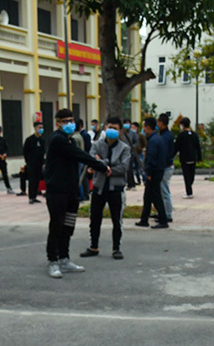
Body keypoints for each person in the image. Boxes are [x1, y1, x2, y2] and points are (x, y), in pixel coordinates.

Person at [43, 109, 111, 278]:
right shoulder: (57, 139)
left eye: (71, 120)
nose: (70, 124)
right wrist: (100, 165)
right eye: (65, 121)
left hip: (71, 191)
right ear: (58, 123)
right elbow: (80, 155)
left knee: (68, 226)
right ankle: (53, 260)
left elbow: (77, 158)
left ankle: (64, 259)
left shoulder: (70, 140)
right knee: (57, 226)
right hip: (57, 192)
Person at [80, 118, 132, 260]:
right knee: (95, 218)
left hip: (115, 188)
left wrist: (102, 163)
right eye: (110, 127)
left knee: (116, 219)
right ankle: (93, 246)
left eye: (115, 128)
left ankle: (116, 248)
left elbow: (123, 168)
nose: (112, 131)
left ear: (120, 131)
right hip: (99, 187)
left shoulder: (125, 148)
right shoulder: (96, 145)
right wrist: (106, 165)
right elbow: (91, 160)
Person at [135, 117, 169, 229]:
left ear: (148, 128)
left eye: (144, 127)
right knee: (148, 197)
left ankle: (163, 220)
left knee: (156, 196)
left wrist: (148, 173)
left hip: (154, 173)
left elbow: (152, 158)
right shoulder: (158, 138)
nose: (143, 130)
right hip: (158, 171)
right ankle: (144, 220)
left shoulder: (153, 141)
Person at [174, 117, 202, 199]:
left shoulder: (181, 135)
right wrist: (199, 158)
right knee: (191, 175)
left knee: (187, 176)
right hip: (192, 158)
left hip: (185, 158)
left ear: (182, 125)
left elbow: (176, 147)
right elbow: (198, 147)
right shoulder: (194, 135)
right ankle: (189, 190)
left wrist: (171, 156)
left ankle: (189, 191)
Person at [157, 114, 174, 221]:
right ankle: (163, 212)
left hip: (165, 167)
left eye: (158, 122)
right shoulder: (167, 135)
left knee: (165, 191)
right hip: (167, 165)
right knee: (162, 191)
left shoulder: (165, 137)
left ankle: (167, 214)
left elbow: (165, 153)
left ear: (162, 123)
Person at [23, 122, 46, 204]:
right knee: (32, 180)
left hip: (39, 164)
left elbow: (43, 152)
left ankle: (35, 196)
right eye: (39, 127)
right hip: (31, 164)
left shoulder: (42, 140)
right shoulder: (29, 140)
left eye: (42, 128)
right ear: (35, 128)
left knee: (37, 180)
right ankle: (31, 197)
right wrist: (28, 161)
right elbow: (25, 152)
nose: (41, 129)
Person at [122, 120, 143, 189]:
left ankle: (132, 184)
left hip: (130, 152)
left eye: (128, 123)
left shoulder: (133, 133)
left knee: (130, 169)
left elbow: (137, 142)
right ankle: (127, 183)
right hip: (122, 152)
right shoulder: (121, 132)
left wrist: (132, 147)